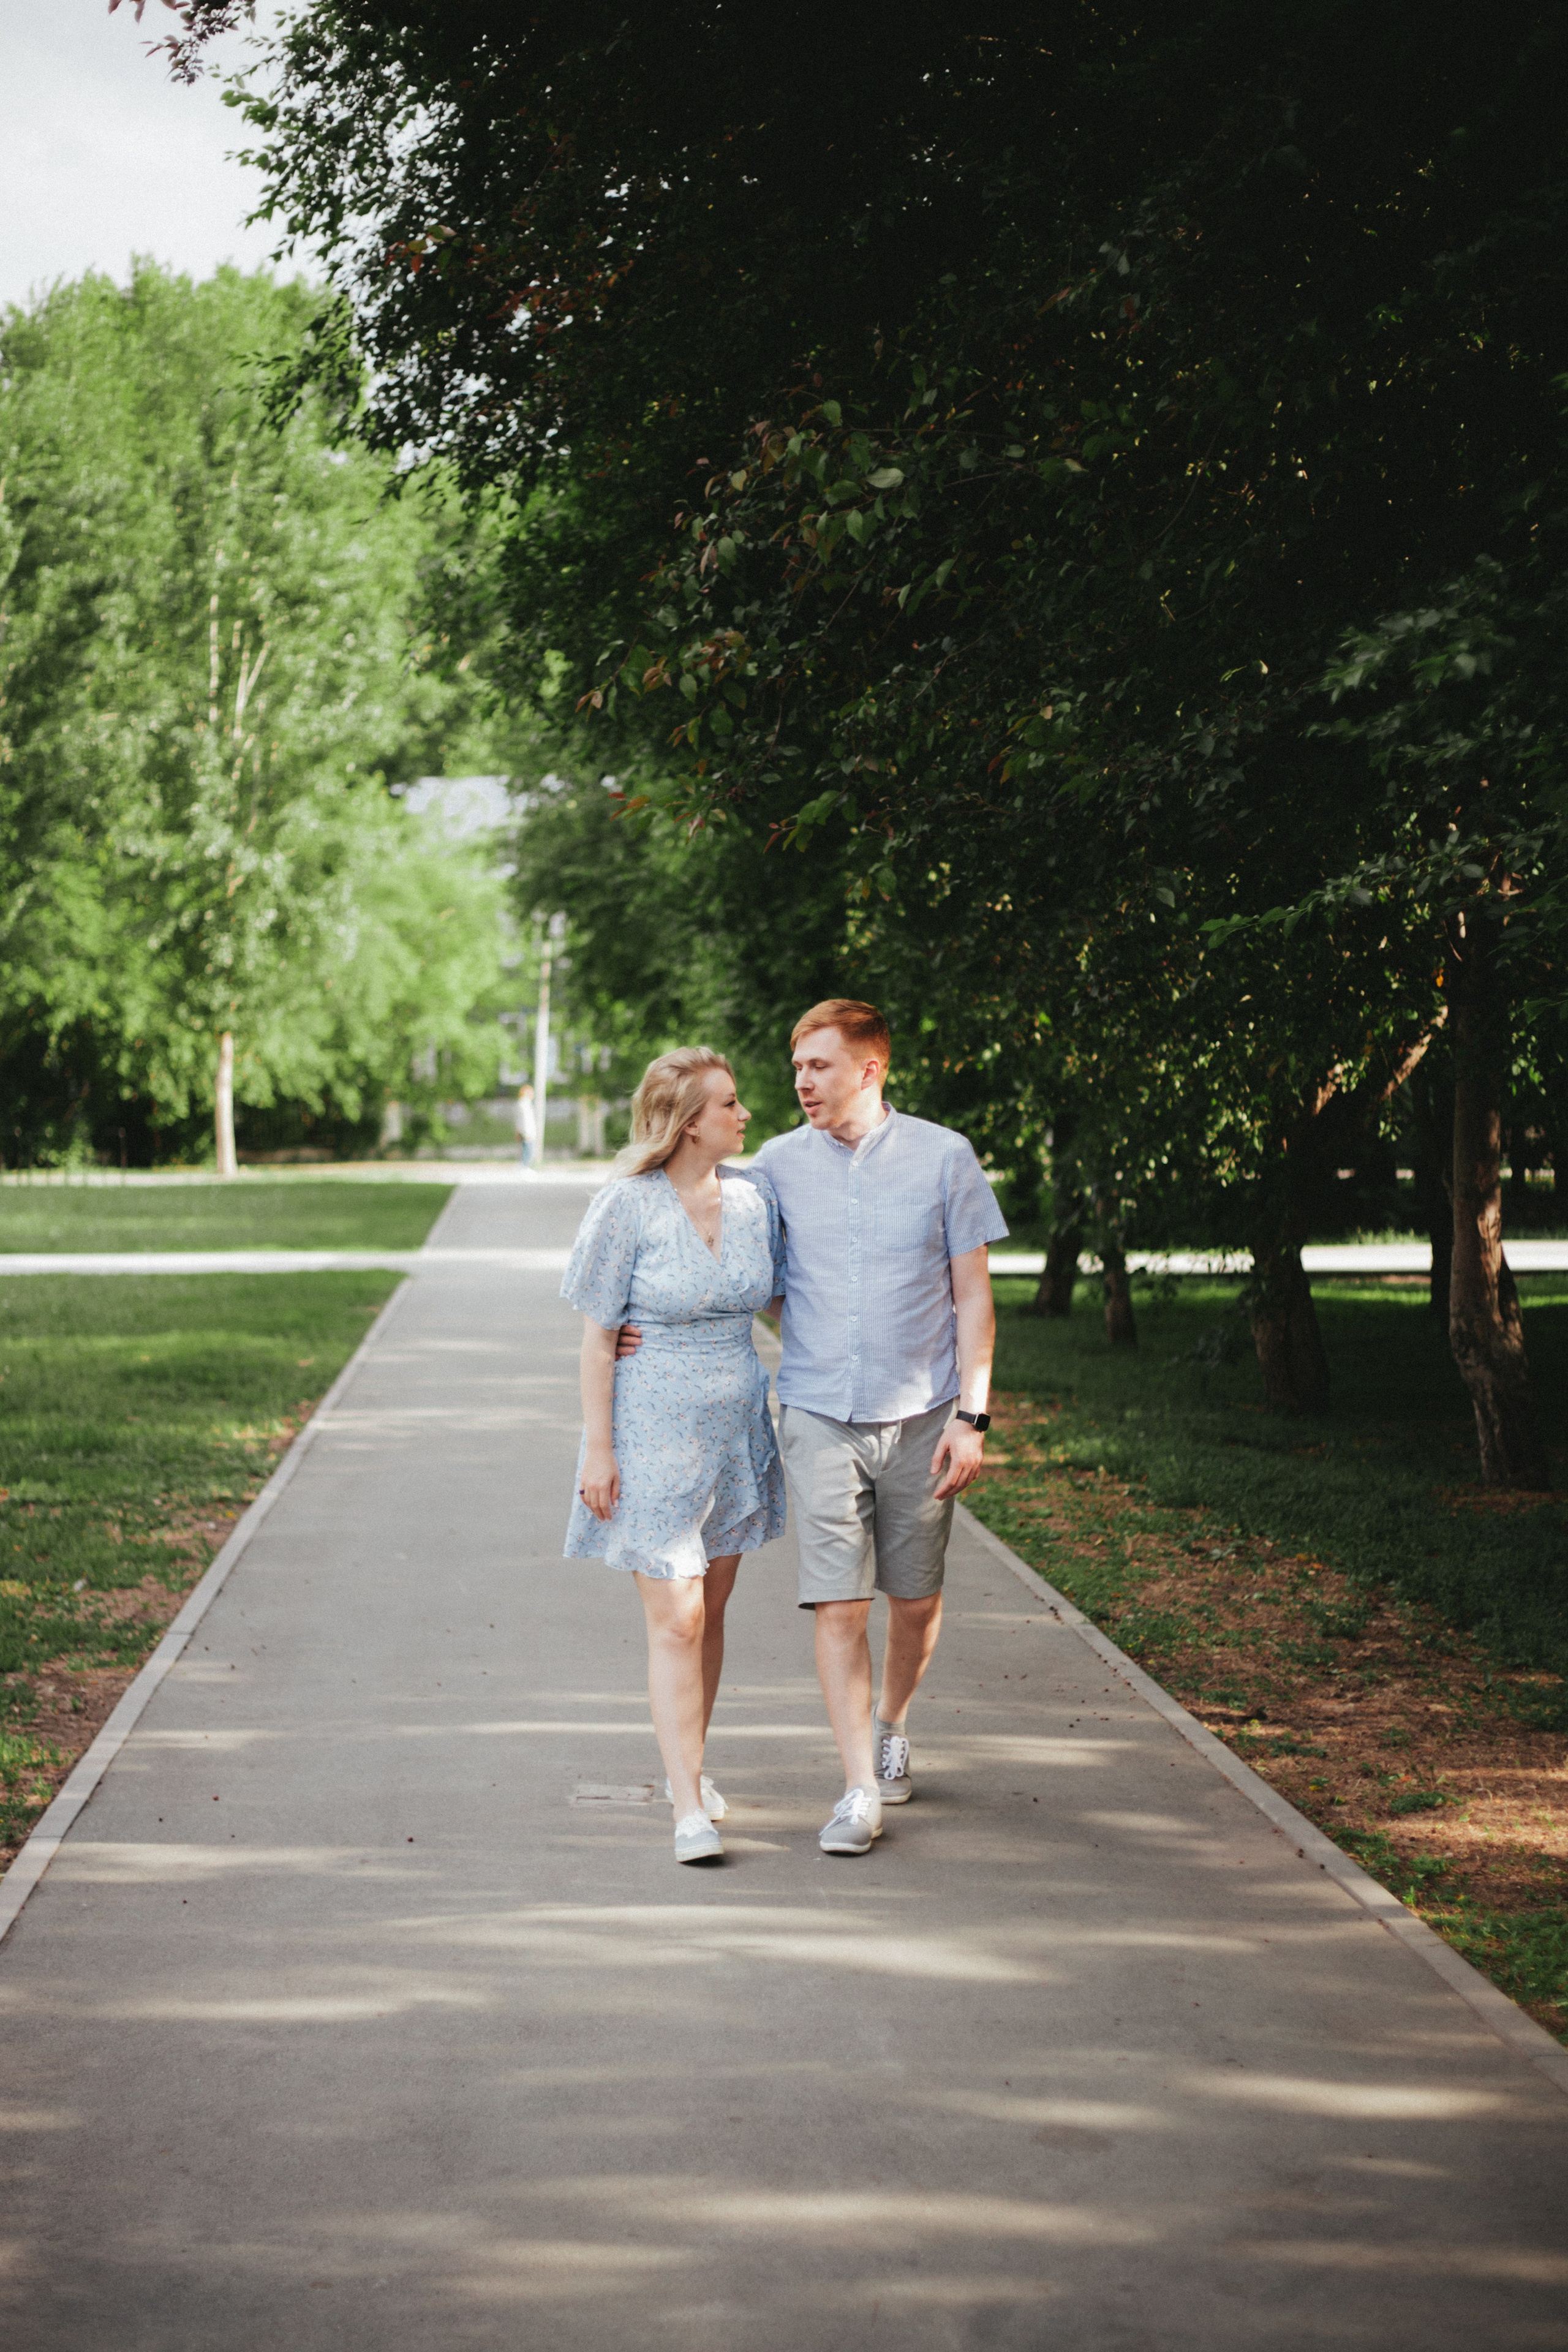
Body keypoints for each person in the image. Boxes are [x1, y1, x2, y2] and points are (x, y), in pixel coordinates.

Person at [621, 998, 1008, 1857]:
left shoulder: (945, 1159)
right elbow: (682, 1212)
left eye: (819, 1066)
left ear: (870, 1069)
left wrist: (973, 1416)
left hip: (926, 1412)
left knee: (914, 1598)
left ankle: (893, 1724)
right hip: (817, 1411)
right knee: (838, 1605)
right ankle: (857, 1791)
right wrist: (633, 1318)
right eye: (796, 1067)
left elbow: (975, 1293)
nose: (801, 1082)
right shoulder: (772, 1171)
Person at [561, 1047, 786, 1864]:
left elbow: (790, 1304)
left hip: (734, 1436)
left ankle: (690, 1765)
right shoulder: (625, 1207)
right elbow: (595, 1339)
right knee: (676, 1620)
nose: (745, 1115)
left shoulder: (756, 1203)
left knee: (710, 1614)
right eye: (731, 1104)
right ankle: (687, 1806)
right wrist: (599, 1450)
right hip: (650, 1435)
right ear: (690, 1121)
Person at [514, 1082, 540, 1167]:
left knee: (526, 1150)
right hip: (527, 1132)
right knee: (528, 1150)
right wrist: (527, 1132)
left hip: (525, 1131)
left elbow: (519, 1120)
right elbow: (526, 1120)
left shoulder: (523, 1103)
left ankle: (524, 1167)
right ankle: (525, 1168)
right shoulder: (525, 1104)